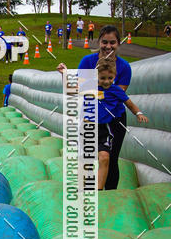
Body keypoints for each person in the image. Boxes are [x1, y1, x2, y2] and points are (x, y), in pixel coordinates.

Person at [57, 25, 132, 189]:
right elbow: (78, 90)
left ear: (118, 44)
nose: (108, 46)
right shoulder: (88, 62)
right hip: (90, 116)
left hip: (114, 119)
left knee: (110, 158)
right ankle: (87, 191)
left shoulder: (124, 67)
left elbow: (114, 96)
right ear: (99, 42)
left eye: (112, 42)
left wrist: (89, 88)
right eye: (104, 42)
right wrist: (66, 76)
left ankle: (109, 195)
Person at [95, 59, 147, 190]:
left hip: (109, 126)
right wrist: (64, 73)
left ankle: (103, 189)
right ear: (96, 76)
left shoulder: (116, 90)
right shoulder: (91, 88)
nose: (106, 81)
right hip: (94, 125)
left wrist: (138, 113)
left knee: (107, 157)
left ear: (114, 77)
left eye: (110, 78)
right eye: (102, 78)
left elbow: (129, 103)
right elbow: (73, 89)